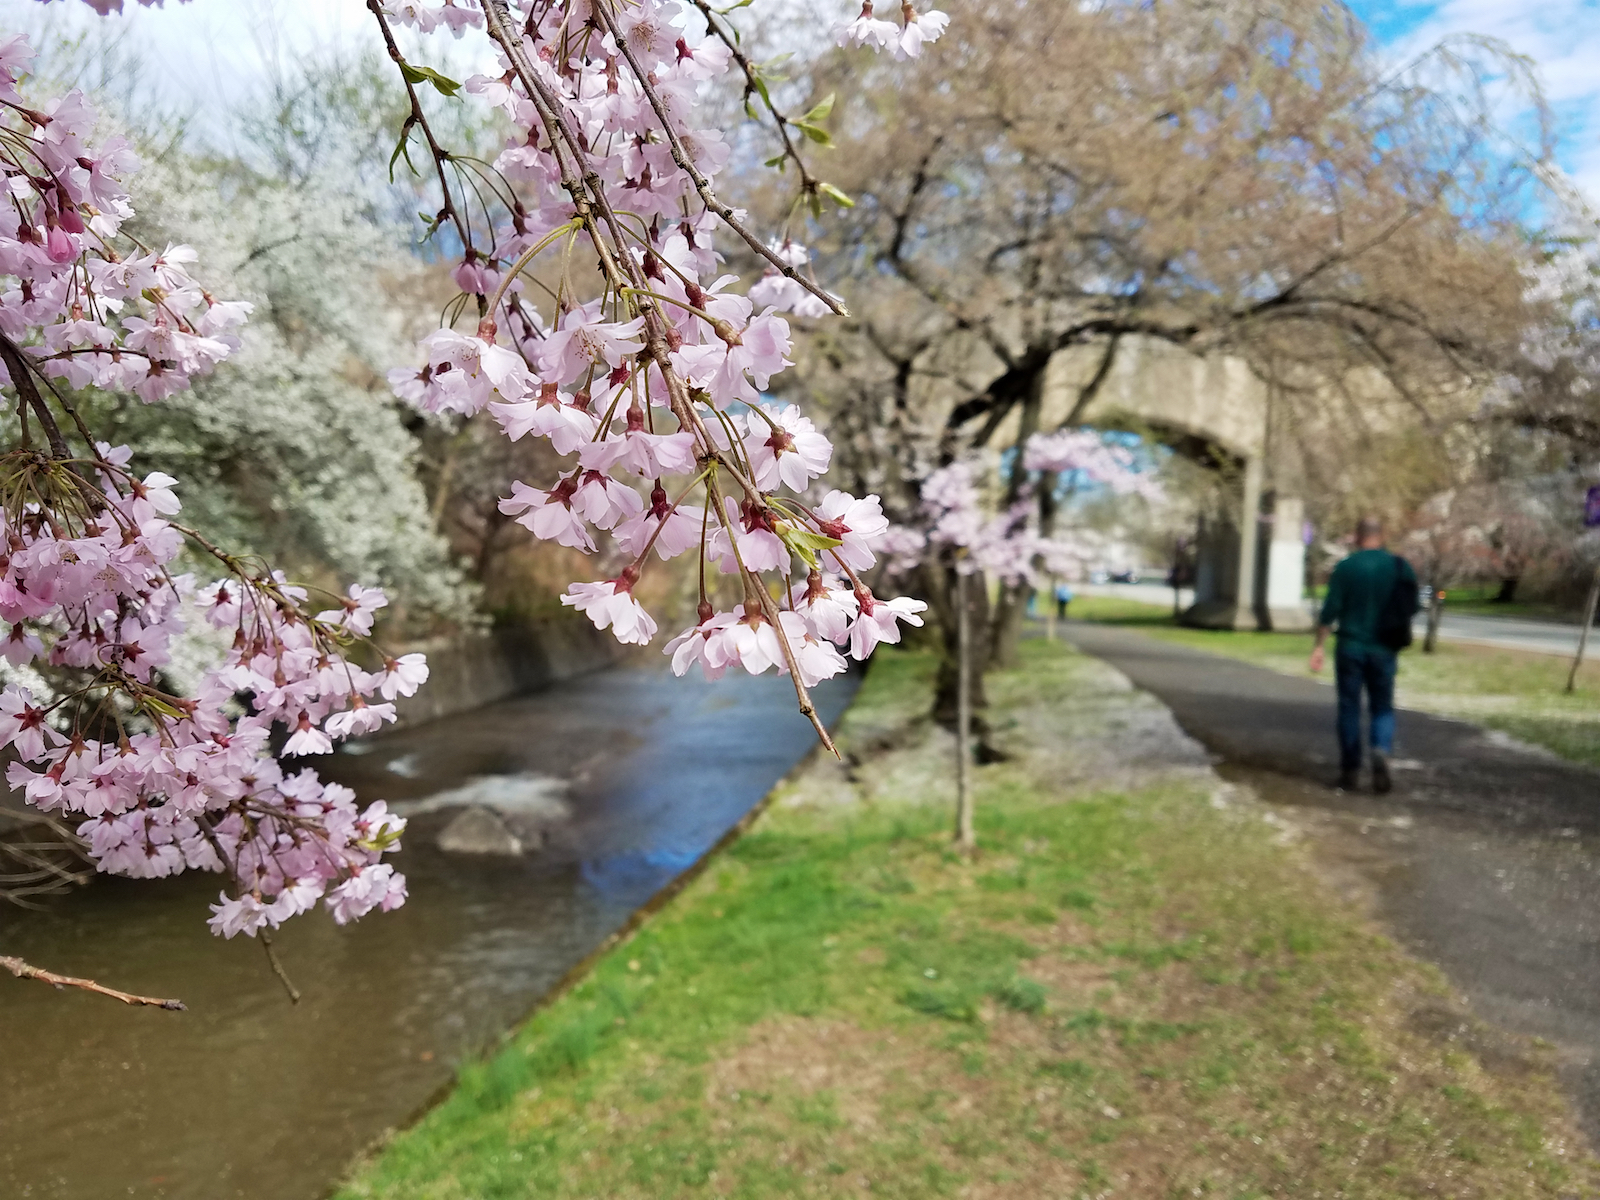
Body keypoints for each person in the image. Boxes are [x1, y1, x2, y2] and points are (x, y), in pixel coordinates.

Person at [1309, 515, 1417, 793]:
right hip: (1384, 648)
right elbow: (1412, 604)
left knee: (1349, 707)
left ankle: (1350, 769)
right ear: (1381, 535)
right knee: (1382, 706)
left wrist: (1319, 646)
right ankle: (1380, 749)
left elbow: (1330, 611)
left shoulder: (1346, 568)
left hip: (1350, 647)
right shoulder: (1399, 566)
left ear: (1357, 536)